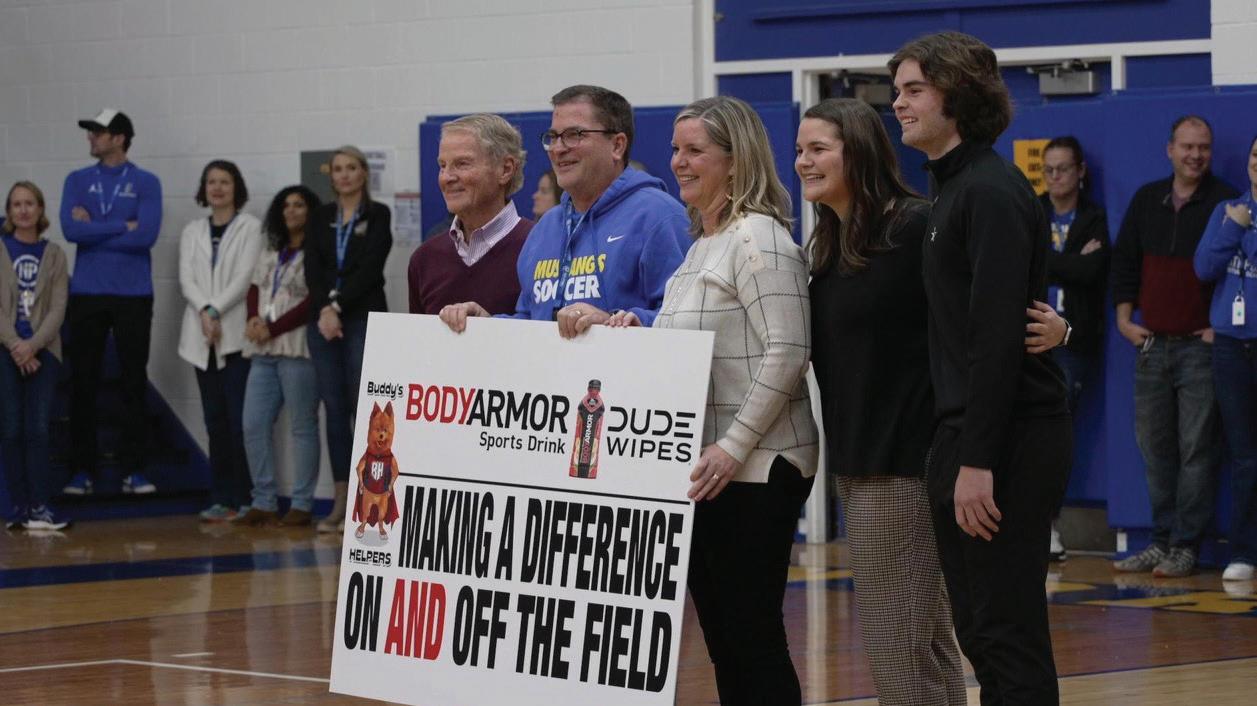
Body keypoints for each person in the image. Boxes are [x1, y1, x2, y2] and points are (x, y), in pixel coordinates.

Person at [608, 95, 818, 706]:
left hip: (758, 466)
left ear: (735, 158)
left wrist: (732, 446)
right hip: (711, 471)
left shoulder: (759, 238)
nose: (678, 162)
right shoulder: (704, 242)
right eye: (675, 149)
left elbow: (789, 351)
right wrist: (639, 331)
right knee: (726, 638)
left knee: (752, 635)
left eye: (694, 150)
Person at [890, 32, 1072, 703]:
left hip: (1005, 441)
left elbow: (997, 341)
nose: (898, 103)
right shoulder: (951, 189)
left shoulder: (989, 192)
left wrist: (977, 459)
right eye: (898, 90)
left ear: (957, 96)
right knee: (981, 633)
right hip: (966, 436)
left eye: (914, 90)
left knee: (1005, 632)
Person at [439, 84, 690, 337]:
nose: (558, 149)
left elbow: (686, 323)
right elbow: (531, 321)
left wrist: (613, 323)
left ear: (617, 145)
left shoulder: (660, 217)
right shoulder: (546, 228)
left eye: (574, 135)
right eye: (553, 136)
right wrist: (488, 324)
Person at [1112, 116, 1239, 578]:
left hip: (1200, 349)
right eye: (1187, 146)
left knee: (1197, 451)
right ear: (1169, 150)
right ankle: (1160, 540)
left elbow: (1237, 272)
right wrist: (1124, 320)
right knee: (1155, 450)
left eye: (1203, 147)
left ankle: (1185, 546)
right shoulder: (1147, 199)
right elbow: (1125, 263)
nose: (1195, 155)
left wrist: (1217, 328)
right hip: (1150, 346)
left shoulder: (1226, 202)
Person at [61, 109, 162, 496]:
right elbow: (71, 230)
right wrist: (122, 225)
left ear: (119, 138)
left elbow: (146, 236)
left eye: (97, 132)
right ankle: (81, 470)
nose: (90, 138)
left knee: (132, 381)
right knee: (82, 381)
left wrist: (95, 229)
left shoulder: (146, 181)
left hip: (133, 294)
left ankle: (134, 469)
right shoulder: (77, 180)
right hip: (88, 292)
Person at [305, 145, 393, 533]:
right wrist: (326, 308)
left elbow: (370, 268)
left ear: (363, 174)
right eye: (338, 169)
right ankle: (340, 499)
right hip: (324, 321)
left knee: (364, 411)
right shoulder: (320, 217)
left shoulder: (378, 214)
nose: (344, 174)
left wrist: (337, 306)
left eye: (351, 168)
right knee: (334, 409)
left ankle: (368, 497)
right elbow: (313, 268)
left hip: (360, 317)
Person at [177, 160, 264, 522]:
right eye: (211, 182)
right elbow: (186, 279)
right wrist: (204, 311)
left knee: (238, 422)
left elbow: (244, 279)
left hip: (233, 336)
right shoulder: (192, 230)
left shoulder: (250, 227)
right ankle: (221, 497)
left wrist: (214, 311)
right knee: (214, 422)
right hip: (201, 337)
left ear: (235, 187)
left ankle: (244, 497)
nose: (217, 188)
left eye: (224, 182)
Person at [234, 186, 323, 527]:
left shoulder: (317, 251)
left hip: (297, 348)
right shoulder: (272, 249)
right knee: (253, 423)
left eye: (299, 205)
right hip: (263, 348)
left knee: (302, 425)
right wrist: (252, 320)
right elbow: (255, 288)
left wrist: (273, 328)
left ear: (310, 211)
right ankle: (264, 499)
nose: (291, 211)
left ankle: (301, 503)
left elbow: (312, 301)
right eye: (286, 205)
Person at [1041, 135, 1110, 561]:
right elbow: (1018, 263)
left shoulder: (1094, 217)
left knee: (1056, 433)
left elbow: (1091, 273)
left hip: (1072, 341)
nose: (1055, 177)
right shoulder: (1032, 210)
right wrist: (1070, 262)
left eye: (1063, 168)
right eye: (1048, 170)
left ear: (1080, 171)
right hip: (1029, 338)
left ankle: (1049, 525)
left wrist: (1049, 260)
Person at [1194, 134, 1257, 582]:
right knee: (1243, 456)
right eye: (1255, 154)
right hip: (1231, 347)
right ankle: (1244, 552)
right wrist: (1234, 226)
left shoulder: (1237, 216)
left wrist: (1242, 233)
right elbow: (1203, 267)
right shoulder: (1227, 209)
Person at [408, 114, 533, 316]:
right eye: (442, 165)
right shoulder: (424, 259)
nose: (446, 177)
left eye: (462, 164)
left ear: (505, 169)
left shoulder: (541, 248)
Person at [1, 182, 70, 531]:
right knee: (11, 428)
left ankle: (41, 507)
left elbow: (58, 308)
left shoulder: (54, 254)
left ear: (40, 209)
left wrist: (33, 345)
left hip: (44, 352)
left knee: (38, 429)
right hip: (6, 351)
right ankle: (18, 507)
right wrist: (17, 345)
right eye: (16, 204)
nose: (23, 210)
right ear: (9, 212)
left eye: (29, 203)